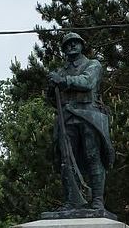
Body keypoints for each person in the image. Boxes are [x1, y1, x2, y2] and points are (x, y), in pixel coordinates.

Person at [48, 32, 114, 213]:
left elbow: (87, 82)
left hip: (88, 115)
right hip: (67, 118)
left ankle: (98, 201)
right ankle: (72, 200)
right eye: (68, 44)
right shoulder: (61, 71)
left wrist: (64, 81)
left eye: (75, 43)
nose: (72, 46)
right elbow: (53, 99)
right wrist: (51, 87)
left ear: (82, 45)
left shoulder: (93, 65)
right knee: (66, 160)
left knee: (93, 157)